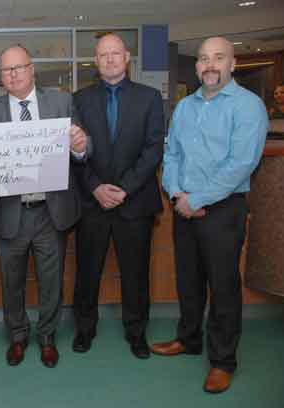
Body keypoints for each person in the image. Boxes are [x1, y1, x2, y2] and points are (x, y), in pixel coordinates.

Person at [152, 36, 268, 393]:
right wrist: (176, 194)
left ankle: (222, 360)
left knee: (223, 286)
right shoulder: (186, 107)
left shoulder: (249, 107)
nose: (209, 65)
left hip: (223, 210)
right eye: (203, 59)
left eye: (218, 57)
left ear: (233, 64)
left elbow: (241, 164)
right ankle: (188, 339)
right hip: (184, 205)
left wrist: (197, 198)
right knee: (188, 280)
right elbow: (171, 154)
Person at [0, 45, 89, 368]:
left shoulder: (61, 102)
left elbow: (83, 147)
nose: (13, 74)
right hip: (10, 212)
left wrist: (80, 147)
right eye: (6, 70)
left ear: (32, 69)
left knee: (50, 280)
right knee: (10, 281)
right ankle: (17, 336)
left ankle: (47, 337)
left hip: (50, 211)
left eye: (19, 67)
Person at [71, 33, 165, 359]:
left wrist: (125, 188)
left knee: (136, 273)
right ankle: (84, 328)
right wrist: (96, 187)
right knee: (87, 271)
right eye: (102, 55)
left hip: (135, 201)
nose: (109, 59)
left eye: (115, 54)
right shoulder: (79, 100)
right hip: (91, 201)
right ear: (95, 62)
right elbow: (74, 152)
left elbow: (153, 149)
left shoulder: (150, 98)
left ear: (126, 58)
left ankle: (136, 332)